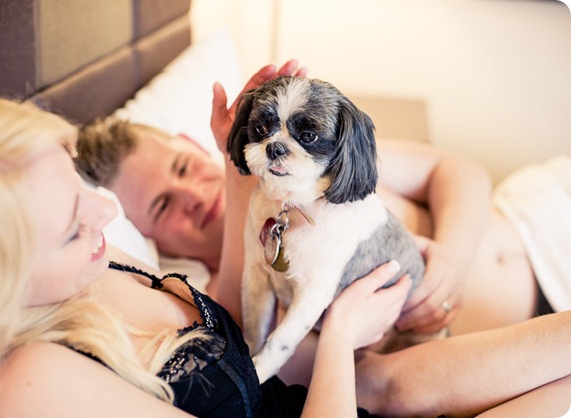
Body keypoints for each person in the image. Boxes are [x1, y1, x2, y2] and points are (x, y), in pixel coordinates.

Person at [0, 78, 569, 418]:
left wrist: (234, 168)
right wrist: (344, 334)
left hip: (403, 360)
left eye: (81, 188)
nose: (104, 215)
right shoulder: (37, 377)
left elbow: (241, 330)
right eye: (71, 227)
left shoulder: (107, 262)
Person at [75, 69, 569, 336]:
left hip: (543, 223)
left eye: (183, 168)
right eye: (162, 207)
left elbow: (459, 171)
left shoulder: (318, 163)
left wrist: (453, 262)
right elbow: (241, 329)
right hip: (533, 338)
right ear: (152, 238)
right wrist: (236, 185)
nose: (191, 197)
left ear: (192, 141)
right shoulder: (221, 291)